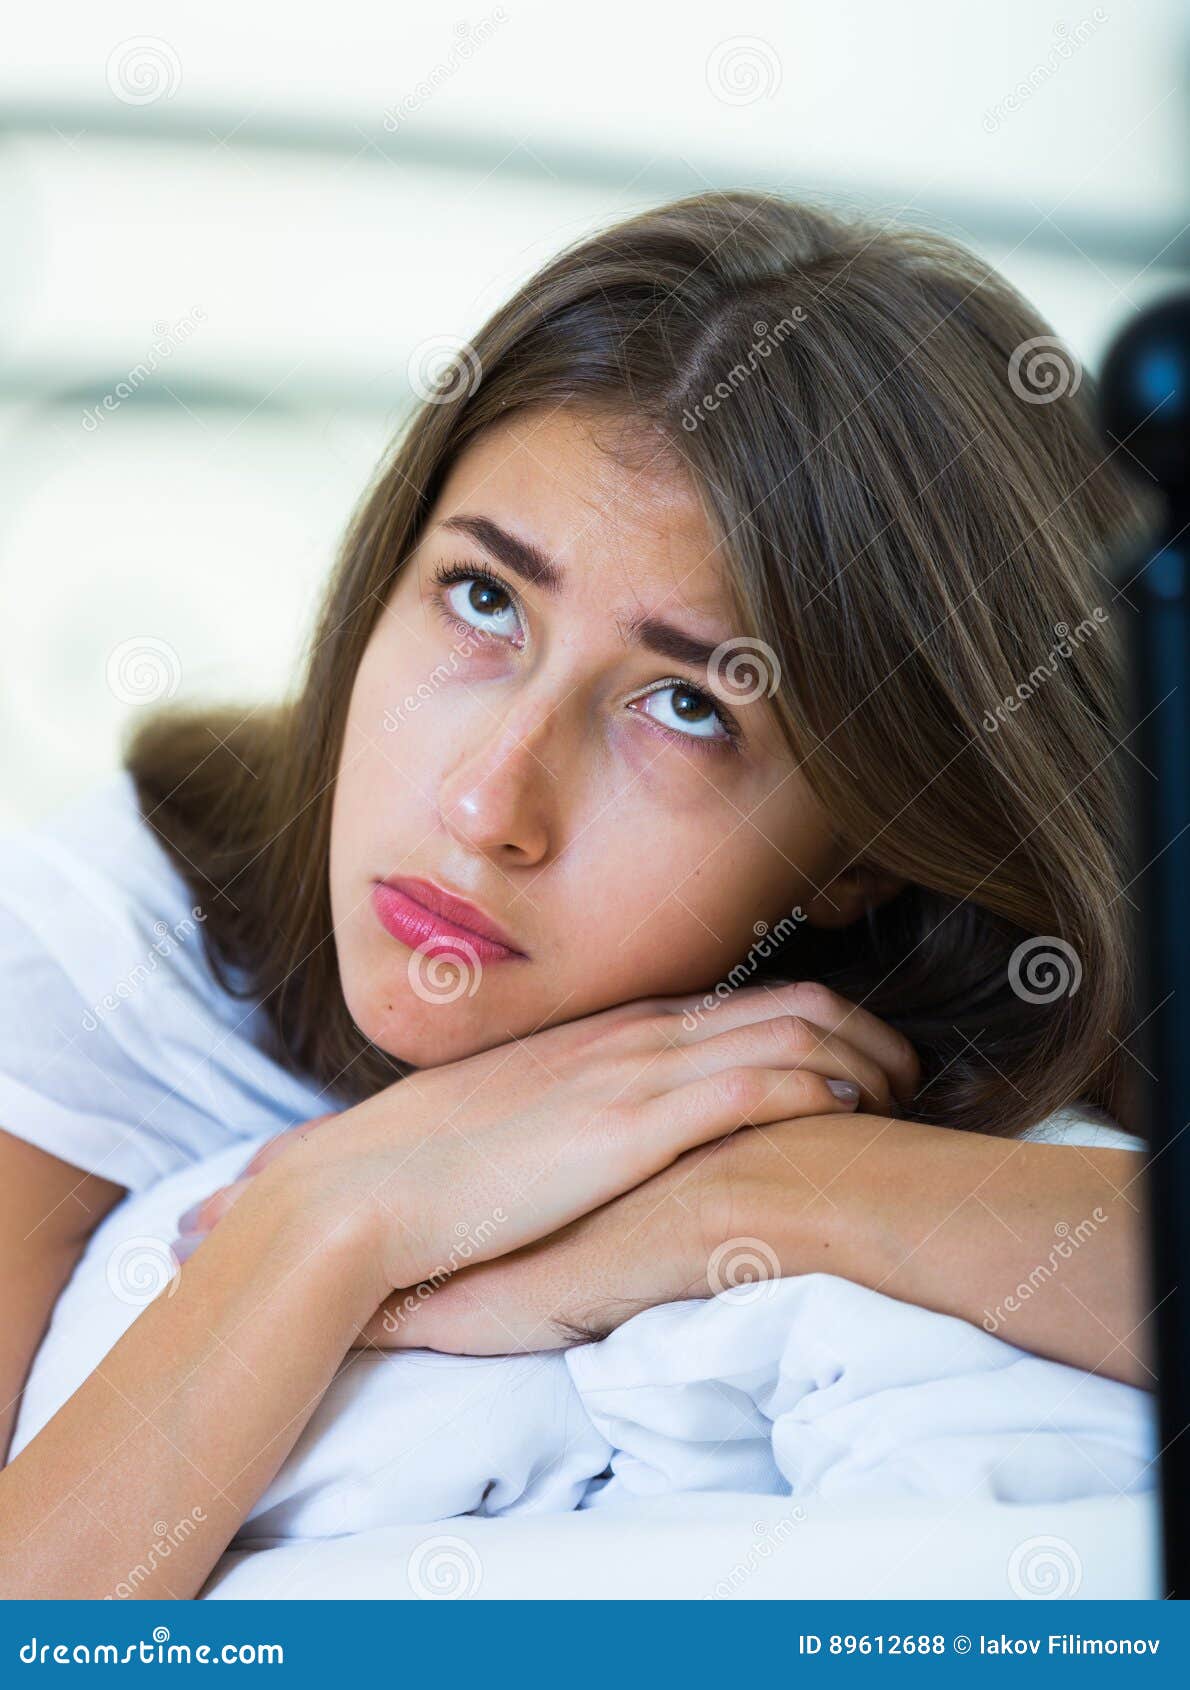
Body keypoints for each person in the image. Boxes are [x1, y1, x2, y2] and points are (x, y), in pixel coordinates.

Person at [0, 190, 1152, 1599]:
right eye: (483, 601)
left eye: (682, 702)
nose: (486, 804)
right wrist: (330, 1222)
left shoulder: (934, 1034)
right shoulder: (112, 940)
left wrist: (767, 1193)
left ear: (871, 842)